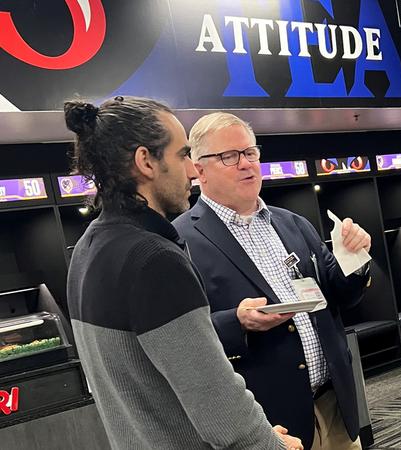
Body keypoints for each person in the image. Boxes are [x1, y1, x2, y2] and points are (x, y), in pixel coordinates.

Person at [65, 97, 301, 450]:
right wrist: (271, 445)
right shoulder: (154, 260)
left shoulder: (88, 246)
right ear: (146, 161)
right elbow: (219, 407)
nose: (192, 170)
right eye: (181, 155)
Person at [173, 112, 371, 450]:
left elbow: (339, 296)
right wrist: (236, 321)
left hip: (334, 405)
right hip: (268, 421)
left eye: (250, 152)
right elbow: (179, 337)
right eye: (229, 156)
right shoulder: (180, 240)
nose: (246, 164)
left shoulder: (292, 223)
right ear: (199, 169)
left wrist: (354, 260)